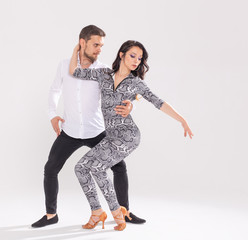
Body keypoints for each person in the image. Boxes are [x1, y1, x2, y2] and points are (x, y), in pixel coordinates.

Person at [69, 40, 194, 231]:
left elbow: (158, 102)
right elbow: (75, 72)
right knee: (81, 168)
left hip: (128, 135)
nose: (136, 61)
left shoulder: (136, 83)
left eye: (140, 58)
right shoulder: (103, 75)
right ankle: (97, 212)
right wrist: (76, 50)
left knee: (97, 168)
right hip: (110, 135)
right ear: (122, 55)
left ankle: (117, 213)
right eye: (132, 56)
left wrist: (182, 119)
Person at [31, 25, 146, 228]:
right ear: (82, 43)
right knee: (50, 169)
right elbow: (54, 90)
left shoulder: (104, 71)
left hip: (96, 131)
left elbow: (131, 93)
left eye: (101, 45)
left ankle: (124, 211)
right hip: (70, 131)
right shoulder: (64, 65)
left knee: (119, 167)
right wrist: (52, 115)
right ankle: (51, 215)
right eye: (95, 44)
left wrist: (132, 106)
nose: (99, 49)